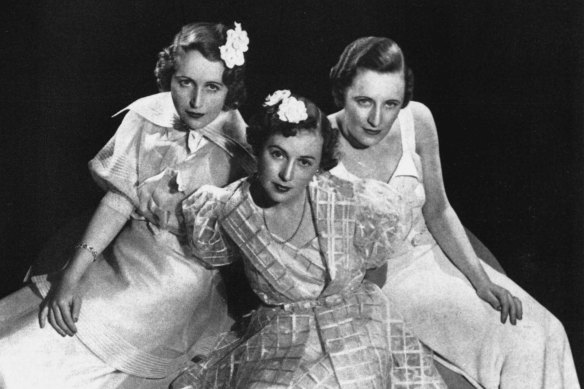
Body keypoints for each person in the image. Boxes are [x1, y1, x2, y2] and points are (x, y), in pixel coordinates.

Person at [0, 21, 254, 388]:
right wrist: (72, 275)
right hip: (122, 259)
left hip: (175, 288)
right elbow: (118, 201)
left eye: (212, 87)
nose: (197, 102)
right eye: (185, 83)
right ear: (170, 76)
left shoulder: (244, 150)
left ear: (231, 90)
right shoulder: (148, 117)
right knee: (18, 346)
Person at [327, 36, 580, 388]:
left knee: (548, 329)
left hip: (436, 257)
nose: (376, 118)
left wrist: (480, 279)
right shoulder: (318, 143)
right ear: (341, 91)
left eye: (390, 104)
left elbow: (439, 210)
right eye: (364, 101)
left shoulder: (417, 120)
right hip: (386, 283)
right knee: (522, 342)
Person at [171, 91, 447, 388]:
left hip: (356, 326)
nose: (287, 174)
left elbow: (376, 274)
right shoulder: (228, 210)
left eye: (304, 162)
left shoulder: (349, 199)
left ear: (318, 166)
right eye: (277, 154)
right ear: (258, 147)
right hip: (280, 335)